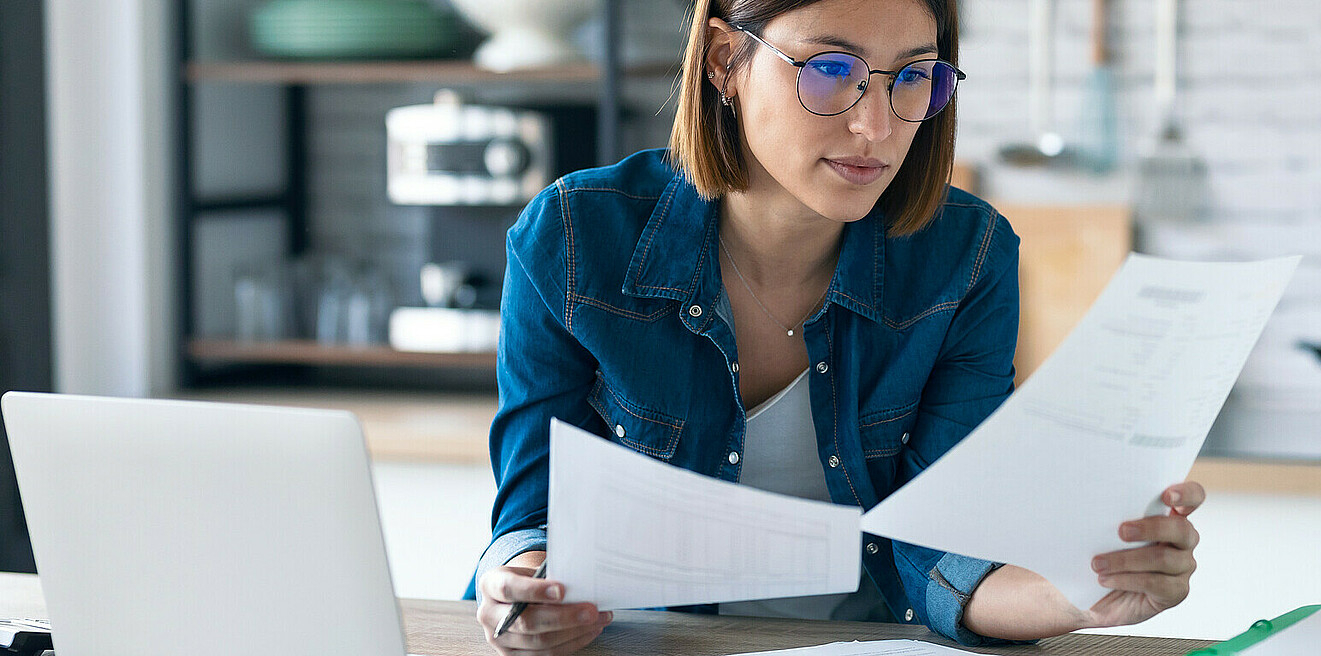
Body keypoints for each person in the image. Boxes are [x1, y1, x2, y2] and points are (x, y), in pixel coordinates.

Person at [470, 0, 1205, 653]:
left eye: (913, 77)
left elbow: (946, 549)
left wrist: (1080, 594)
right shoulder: (575, 235)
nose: (876, 125)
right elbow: (533, 518)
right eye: (829, 68)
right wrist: (526, 592)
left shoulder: (968, 256)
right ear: (726, 61)